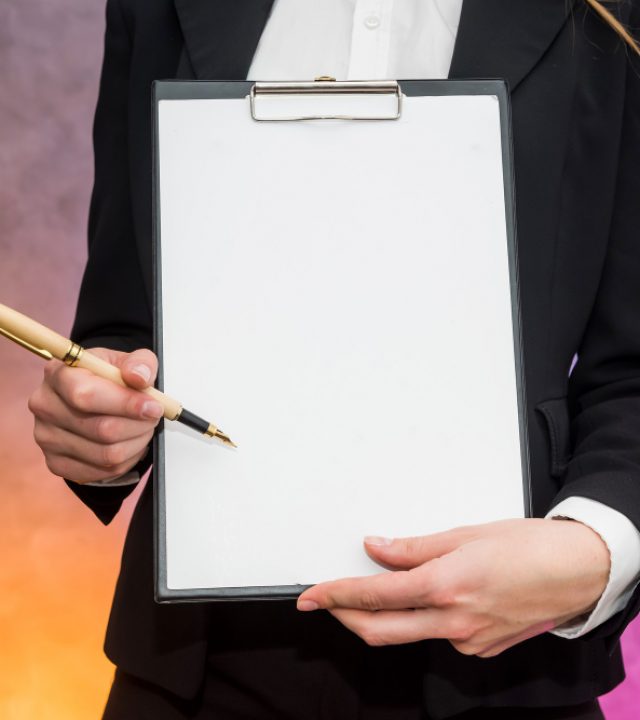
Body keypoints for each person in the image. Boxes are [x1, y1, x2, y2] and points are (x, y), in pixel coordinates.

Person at [27, 1, 640, 718]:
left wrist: (596, 550)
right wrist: (98, 419)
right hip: (198, 670)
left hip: (507, 673)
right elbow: (123, 325)